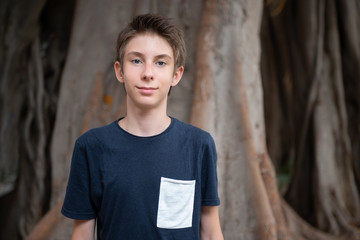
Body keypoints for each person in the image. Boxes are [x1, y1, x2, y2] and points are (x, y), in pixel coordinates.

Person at [61, 13, 224, 240]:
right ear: (120, 71)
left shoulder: (199, 145)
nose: (148, 73)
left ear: (176, 75)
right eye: (136, 60)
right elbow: (82, 234)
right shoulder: (91, 147)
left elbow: (210, 230)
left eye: (160, 62)